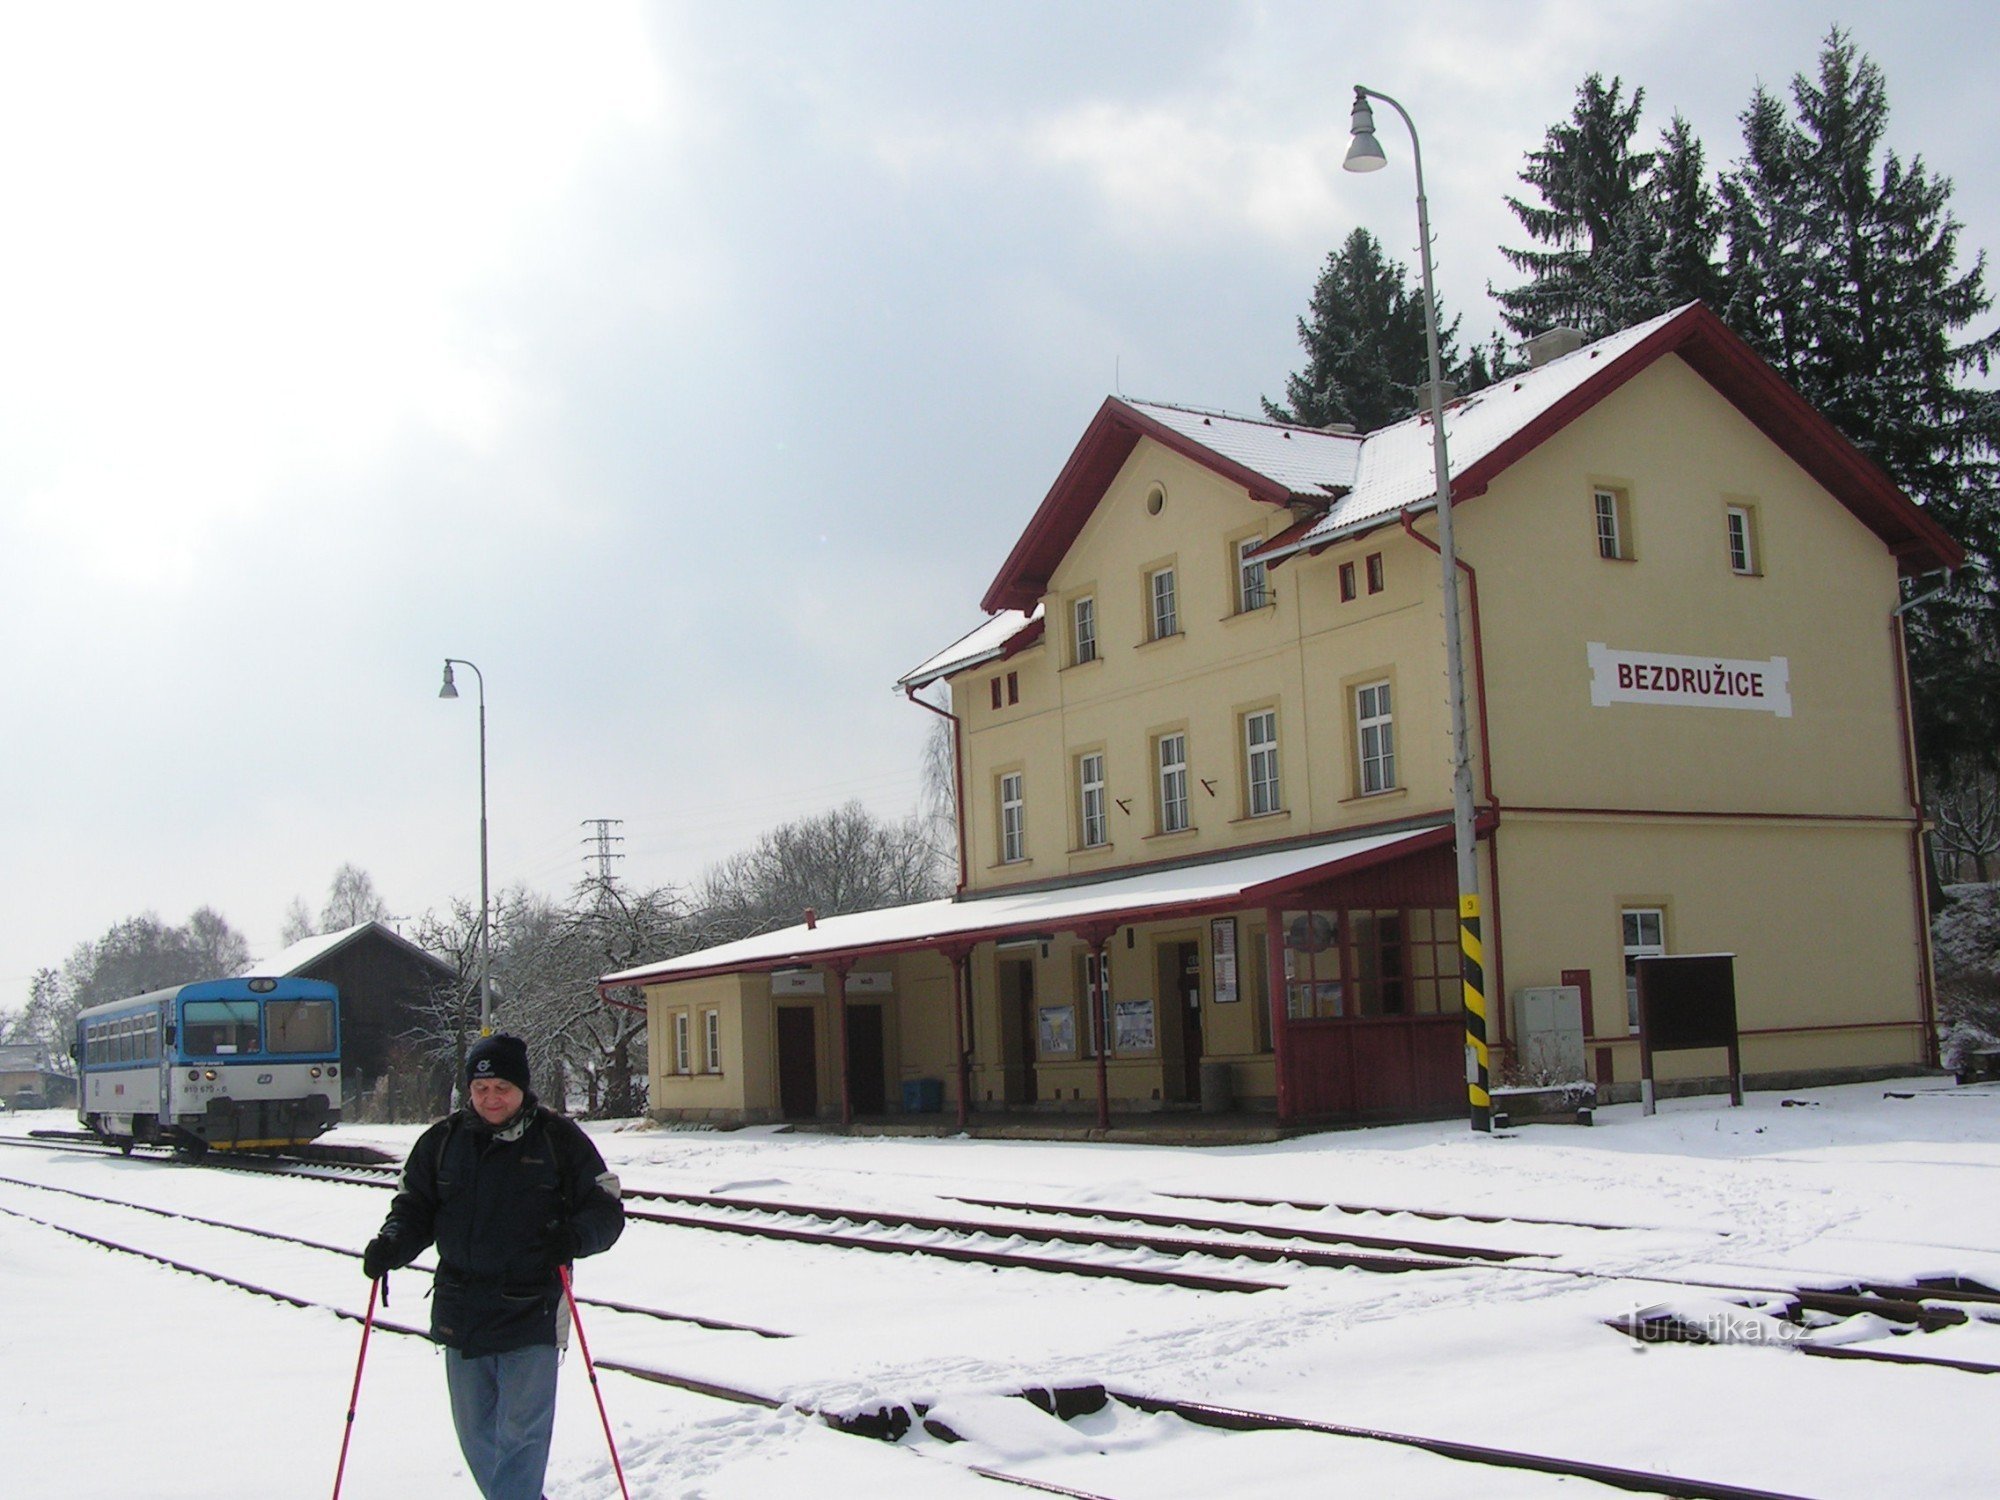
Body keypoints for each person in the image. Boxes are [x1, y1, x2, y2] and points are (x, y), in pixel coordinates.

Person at [364, 1034, 625, 1500]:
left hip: (533, 1306)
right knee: (477, 1434)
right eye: (481, 1088)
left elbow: (604, 1207)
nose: (491, 1098)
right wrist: (391, 1245)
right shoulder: (441, 1142)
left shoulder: (557, 1139)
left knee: (523, 1435)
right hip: (461, 1307)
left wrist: (576, 1236)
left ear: (522, 1088)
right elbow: (414, 1207)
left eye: (501, 1087)